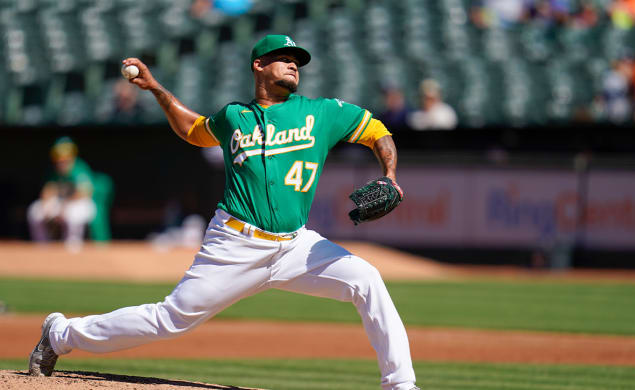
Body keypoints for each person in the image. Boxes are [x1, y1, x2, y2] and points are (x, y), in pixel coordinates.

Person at [28, 34, 419, 390]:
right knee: (170, 320)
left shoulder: (323, 113)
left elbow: (377, 130)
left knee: (367, 279)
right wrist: (156, 89)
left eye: (296, 59)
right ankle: (61, 333)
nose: (292, 64)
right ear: (258, 65)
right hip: (235, 243)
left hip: (297, 246)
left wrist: (390, 174)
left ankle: (400, 385)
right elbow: (193, 130)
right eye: (282, 58)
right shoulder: (234, 116)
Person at [27, 137, 97, 251]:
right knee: (35, 210)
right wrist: (47, 206)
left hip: (81, 205)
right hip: (61, 204)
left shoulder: (79, 169)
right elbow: (47, 191)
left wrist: (64, 206)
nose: (62, 162)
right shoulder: (54, 172)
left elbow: (85, 193)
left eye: (65, 159)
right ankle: (42, 246)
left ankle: (72, 246)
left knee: (72, 213)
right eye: (59, 159)